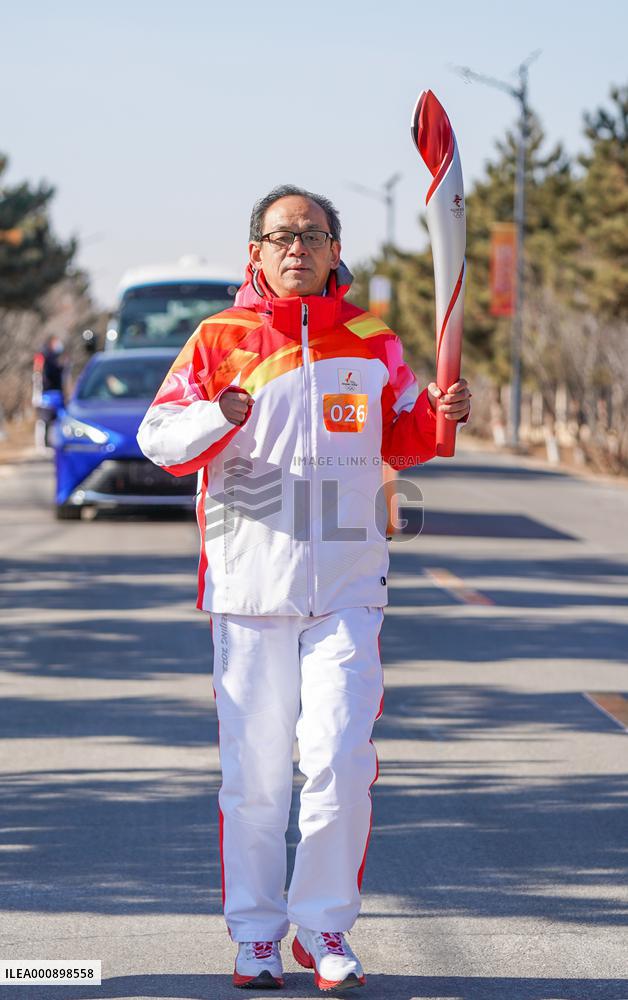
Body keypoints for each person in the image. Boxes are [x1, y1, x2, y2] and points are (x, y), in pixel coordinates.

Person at [137, 185, 472, 991]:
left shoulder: (373, 339)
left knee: (340, 761)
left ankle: (323, 927)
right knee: (254, 777)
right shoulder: (220, 338)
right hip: (249, 588)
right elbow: (160, 438)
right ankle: (256, 934)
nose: (298, 248)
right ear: (255, 250)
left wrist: (441, 410)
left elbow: (407, 433)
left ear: (334, 251)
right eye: (282, 235)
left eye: (313, 235)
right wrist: (219, 413)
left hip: (349, 587)